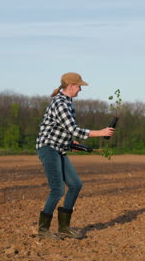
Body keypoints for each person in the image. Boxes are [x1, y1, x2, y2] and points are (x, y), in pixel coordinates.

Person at [36, 72, 114, 239]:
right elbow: (74, 129)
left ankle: (64, 227)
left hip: (60, 148)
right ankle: (43, 230)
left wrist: (71, 143)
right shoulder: (60, 103)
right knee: (57, 190)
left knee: (75, 185)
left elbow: (63, 130)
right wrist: (101, 132)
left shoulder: (68, 103)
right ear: (71, 86)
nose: (80, 89)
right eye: (79, 86)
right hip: (48, 148)